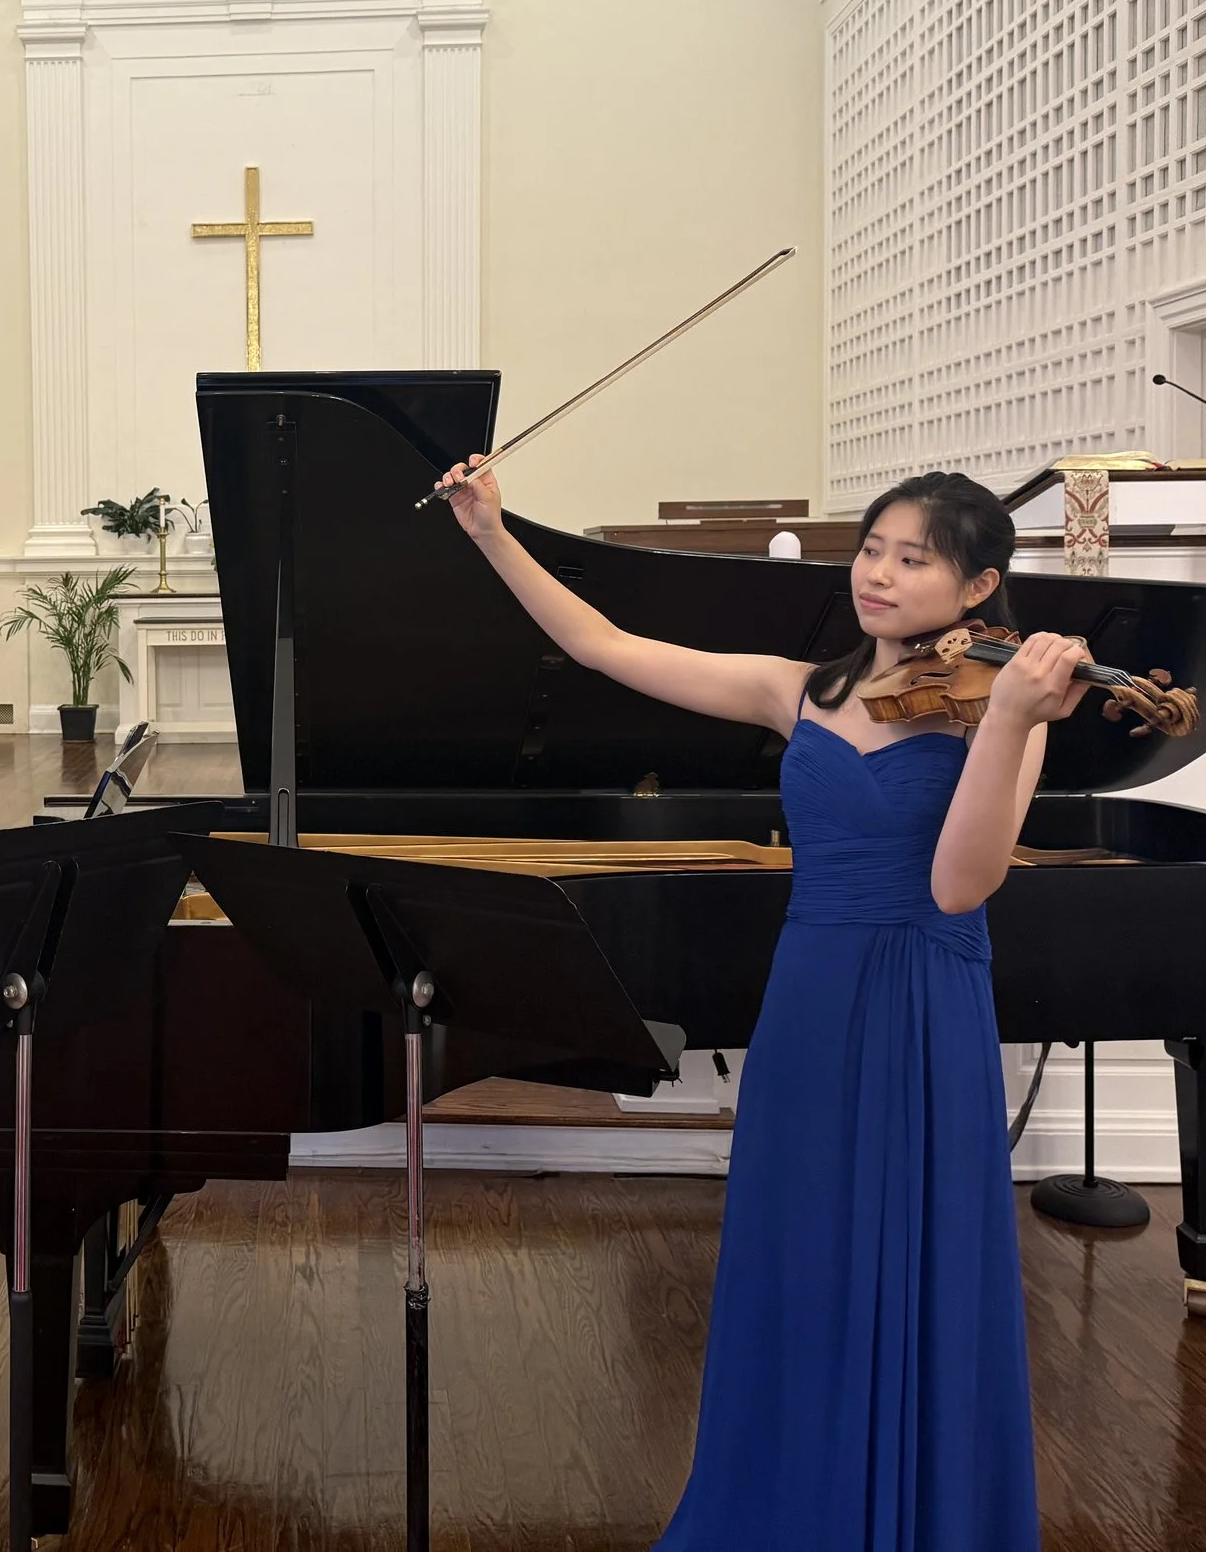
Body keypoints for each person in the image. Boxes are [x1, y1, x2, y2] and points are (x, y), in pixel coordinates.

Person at [433, 460, 1075, 1552]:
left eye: (911, 559)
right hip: (810, 1000)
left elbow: (959, 886)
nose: (876, 574)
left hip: (923, 1002)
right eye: (870, 548)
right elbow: (602, 645)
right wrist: (491, 531)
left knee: (913, 1259)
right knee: (802, 1258)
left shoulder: (999, 707)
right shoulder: (801, 690)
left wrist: (1011, 718)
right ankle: (790, 1509)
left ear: (978, 589)